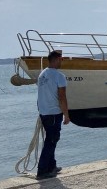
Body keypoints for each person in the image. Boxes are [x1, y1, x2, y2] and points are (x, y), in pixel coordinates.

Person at [36, 50, 70, 180]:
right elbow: (62, 97)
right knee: (51, 141)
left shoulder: (42, 74)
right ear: (56, 60)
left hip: (44, 113)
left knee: (51, 139)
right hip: (54, 113)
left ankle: (52, 166)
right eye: (61, 60)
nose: (61, 62)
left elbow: (40, 95)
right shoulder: (59, 76)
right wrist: (66, 115)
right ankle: (42, 171)